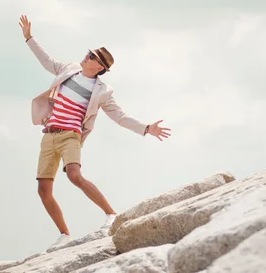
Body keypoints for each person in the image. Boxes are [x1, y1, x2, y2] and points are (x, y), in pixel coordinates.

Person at [18, 15, 171, 251]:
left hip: (71, 135)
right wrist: (29, 38)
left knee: (74, 175)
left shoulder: (102, 92)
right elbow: (47, 61)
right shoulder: (69, 70)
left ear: (99, 66)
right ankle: (64, 235)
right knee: (43, 190)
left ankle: (111, 214)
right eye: (89, 52)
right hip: (48, 135)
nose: (86, 56)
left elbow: (119, 116)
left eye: (91, 56)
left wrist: (146, 128)